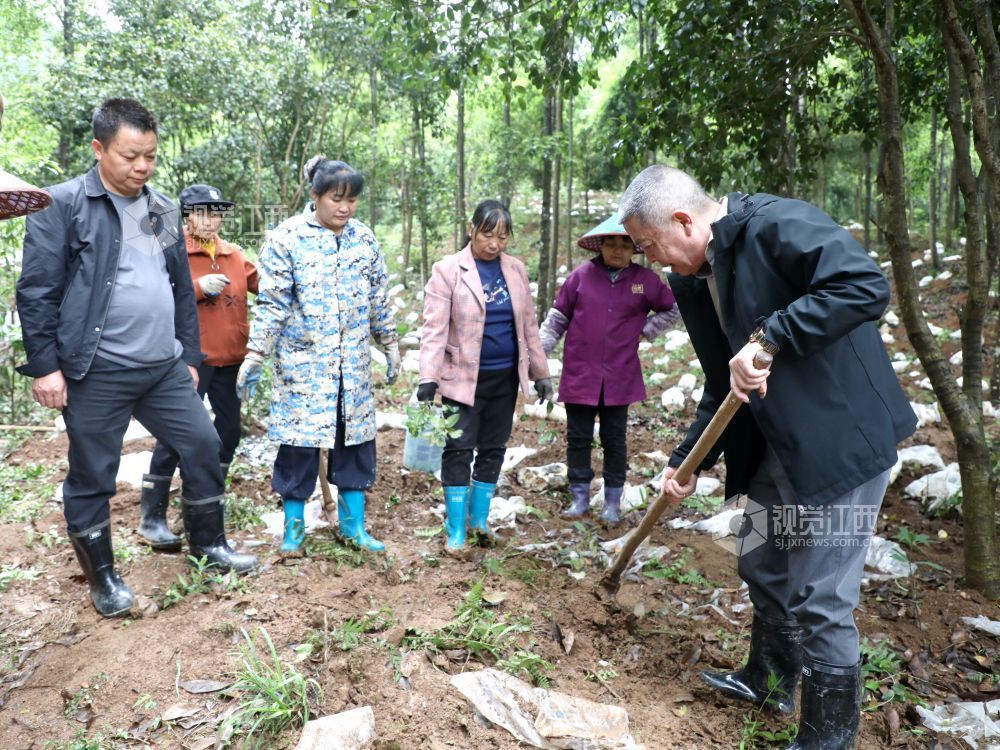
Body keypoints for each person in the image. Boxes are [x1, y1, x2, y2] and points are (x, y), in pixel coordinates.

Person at [618, 165, 916, 750]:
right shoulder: (693, 278)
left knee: (821, 597)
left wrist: (773, 333)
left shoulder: (777, 225)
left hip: (837, 444)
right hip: (770, 446)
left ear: (683, 220)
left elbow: (864, 286)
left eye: (650, 246)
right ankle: (770, 679)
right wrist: (686, 463)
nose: (651, 261)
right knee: (761, 562)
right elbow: (720, 383)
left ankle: (827, 739)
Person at [16, 98, 257, 618]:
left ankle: (209, 547)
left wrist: (189, 354)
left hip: (163, 367)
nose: (141, 167)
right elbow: (36, 293)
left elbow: (176, 285)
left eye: (150, 155)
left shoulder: (162, 210)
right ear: (99, 148)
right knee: (92, 473)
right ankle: (103, 578)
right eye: (130, 156)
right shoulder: (60, 206)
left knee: (203, 444)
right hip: (96, 370)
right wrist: (45, 366)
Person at [236, 159, 398, 554]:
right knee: (298, 446)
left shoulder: (363, 239)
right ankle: (294, 531)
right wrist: (256, 353)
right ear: (316, 196)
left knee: (354, 444)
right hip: (304, 368)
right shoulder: (287, 238)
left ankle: (353, 527)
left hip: (352, 368)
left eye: (352, 201)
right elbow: (272, 302)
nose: (345, 208)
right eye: (336, 199)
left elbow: (378, 296)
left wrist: (390, 343)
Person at [418, 199, 552, 550]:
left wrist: (540, 372)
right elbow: (433, 328)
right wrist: (428, 377)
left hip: (504, 378)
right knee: (459, 449)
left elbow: (528, 325)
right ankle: (455, 530)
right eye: (488, 235)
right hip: (462, 379)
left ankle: (478, 522)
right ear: (471, 229)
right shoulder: (447, 270)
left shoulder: (516, 270)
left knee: (493, 448)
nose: (494, 244)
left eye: (503, 237)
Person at [138, 184, 258, 550]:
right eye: (201, 213)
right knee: (177, 436)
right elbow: (151, 294)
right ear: (187, 216)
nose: (209, 220)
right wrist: (196, 286)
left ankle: (205, 506)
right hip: (190, 359)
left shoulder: (234, 254)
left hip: (230, 358)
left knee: (230, 431)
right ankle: (152, 517)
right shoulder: (172, 250)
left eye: (216, 213)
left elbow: (267, 286)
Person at [538, 214, 679, 524]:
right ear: (599, 247)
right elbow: (557, 320)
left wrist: (646, 330)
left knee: (614, 440)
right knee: (578, 438)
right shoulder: (580, 278)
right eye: (611, 243)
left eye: (625, 244)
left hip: (620, 375)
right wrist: (537, 356)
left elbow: (672, 309)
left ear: (634, 248)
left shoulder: (645, 281)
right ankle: (579, 498)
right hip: (580, 372)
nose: (618, 250)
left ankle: (612, 502)